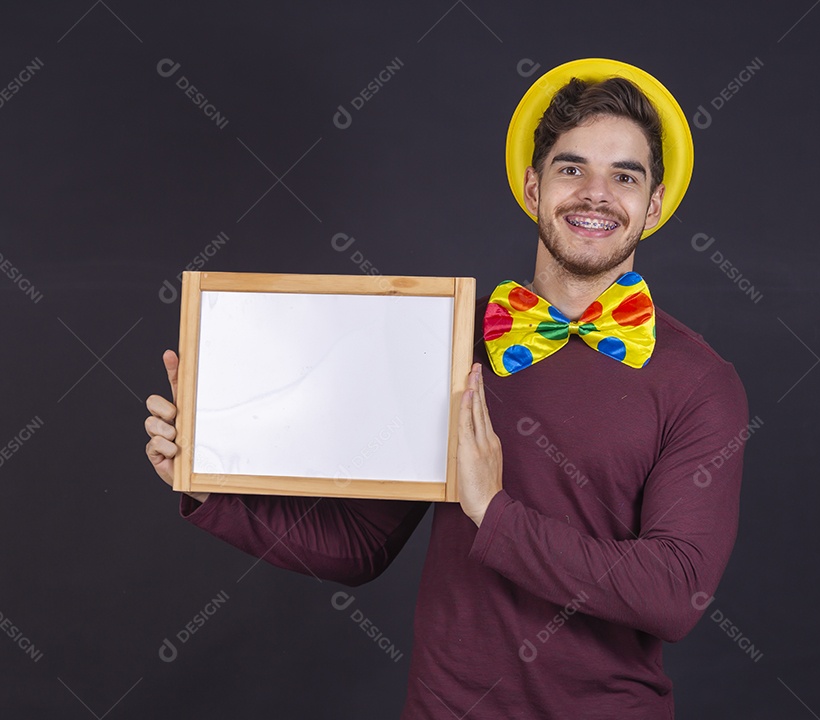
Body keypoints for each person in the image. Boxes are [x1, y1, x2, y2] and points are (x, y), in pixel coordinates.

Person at [145, 58, 749, 718]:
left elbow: (672, 592)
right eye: (571, 168)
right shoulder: (451, 338)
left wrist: (493, 512)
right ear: (531, 186)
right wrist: (209, 480)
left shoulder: (700, 382)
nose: (595, 194)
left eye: (624, 176)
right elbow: (361, 545)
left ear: (653, 202)